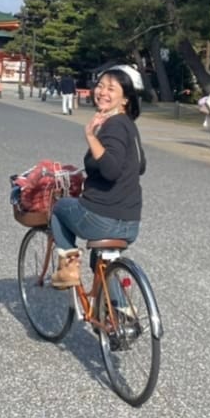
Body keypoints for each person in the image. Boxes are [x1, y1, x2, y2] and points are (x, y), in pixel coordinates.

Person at [49, 66, 148, 289]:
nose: (102, 92)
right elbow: (140, 166)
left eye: (111, 89)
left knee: (60, 207)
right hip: (130, 222)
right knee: (102, 262)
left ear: (125, 99)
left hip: (102, 219)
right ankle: (121, 312)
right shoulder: (129, 125)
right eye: (100, 86)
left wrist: (90, 135)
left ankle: (68, 269)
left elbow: (111, 170)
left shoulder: (113, 126)